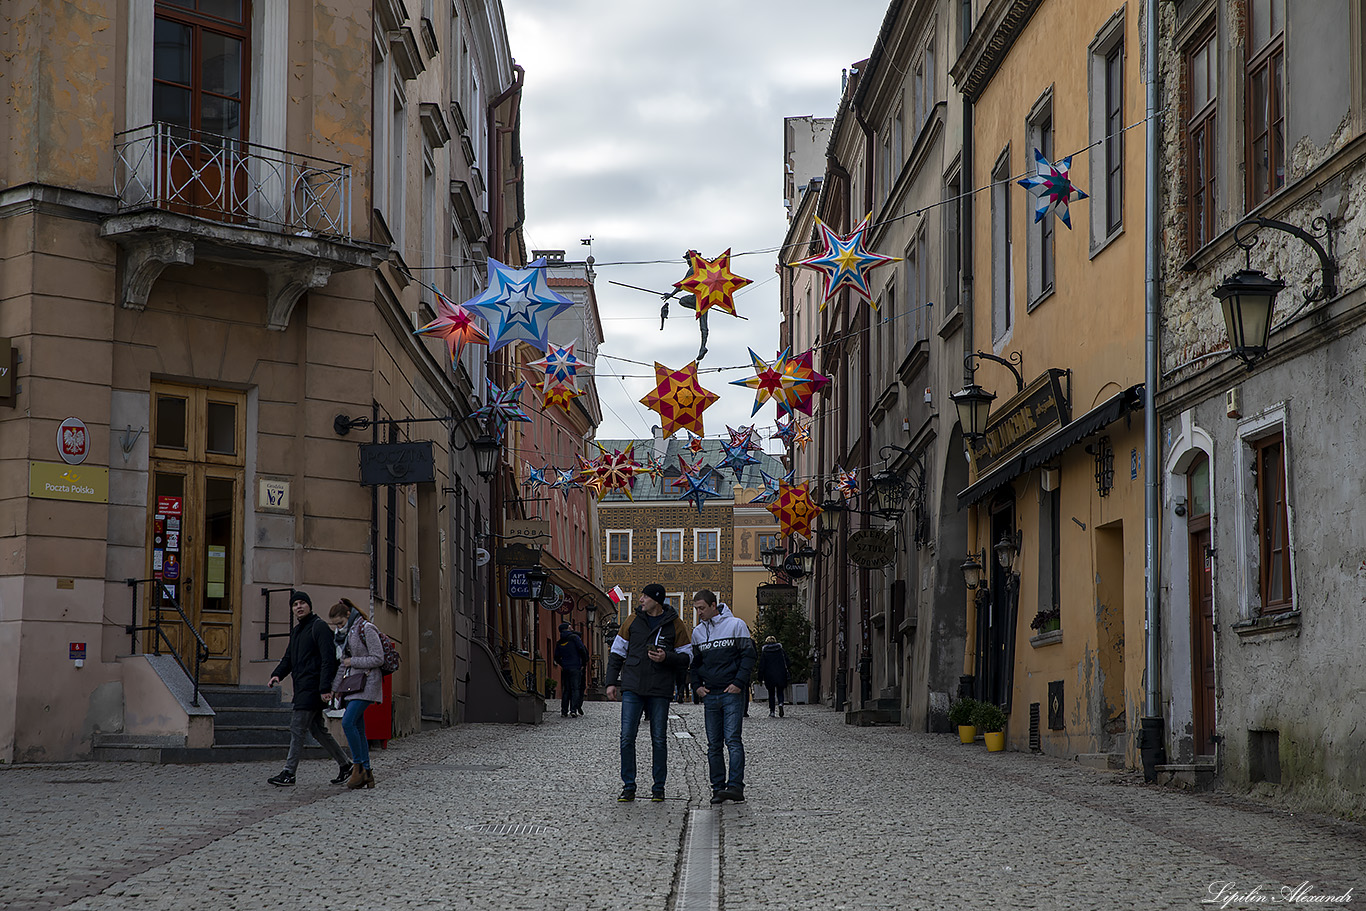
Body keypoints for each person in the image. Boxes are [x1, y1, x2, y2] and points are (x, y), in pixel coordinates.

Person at [604, 583, 692, 802]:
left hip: (660, 688)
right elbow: (616, 654)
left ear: (656, 600)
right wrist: (611, 683)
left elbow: (687, 657)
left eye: (644, 596)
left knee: (659, 739)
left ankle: (658, 788)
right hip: (633, 686)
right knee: (626, 738)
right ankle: (629, 786)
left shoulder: (675, 625)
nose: (640, 600)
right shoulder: (632, 621)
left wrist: (667, 657)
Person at [266, 590, 351, 786]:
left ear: (310, 606)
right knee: (318, 730)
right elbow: (289, 658)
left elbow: (328, 660)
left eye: (302, 603)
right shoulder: (297, 630)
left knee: (297, 727)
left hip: (313, 688)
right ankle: (346, 765)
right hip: (302, 686)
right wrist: (277, 674)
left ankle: (289, 772)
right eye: (295, 605)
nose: (299, 607)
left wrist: (324, 688)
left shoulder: (318, 627)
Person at [690, 591, 756, 804]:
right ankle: (718, 788)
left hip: (731, 693)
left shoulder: (736, 625)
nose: (698, 612)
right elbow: (695, 664)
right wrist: (697, 687)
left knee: (733, 741)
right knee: (713, 745)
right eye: (696, 609)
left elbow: (748, 656)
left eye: (701, 608)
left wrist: (739, 683)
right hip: (710, 694)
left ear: (713, 605)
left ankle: (736, 787)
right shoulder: (698, 632)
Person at [327, 598, 384, 789]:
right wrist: (335, 688)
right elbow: (343, 663)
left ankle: (358, 767)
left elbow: (378, 658)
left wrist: (355, 662)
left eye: (340, 623)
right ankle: (367, 772)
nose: (338, 628)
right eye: (335, 625)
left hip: (368, 683)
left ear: (348, 616)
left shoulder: (366, 628)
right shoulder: (345, 634)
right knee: (358, 727)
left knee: (348, 721)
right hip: (353, 685)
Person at [553, 621, 589, 717]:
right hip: (575, 667)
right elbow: (581, 649)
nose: (572, 627)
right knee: (575, 689)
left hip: (565, 668)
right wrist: (583, 663)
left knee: (566, 690)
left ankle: (564, 711)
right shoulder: (574, 638)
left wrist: (563, 664)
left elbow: (556, 657)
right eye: (570, 626)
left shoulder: (560, 642)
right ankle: (573, 710)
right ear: (568, 628)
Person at [757, 635, 790, 718]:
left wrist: (760, 678)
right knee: (780, 691)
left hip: (769, 675)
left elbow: (762, 666)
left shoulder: (765, 652)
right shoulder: (780, 650)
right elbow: (788, 661)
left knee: (771, 693)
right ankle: (780, 703)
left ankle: (772, 711)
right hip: (780, 674)